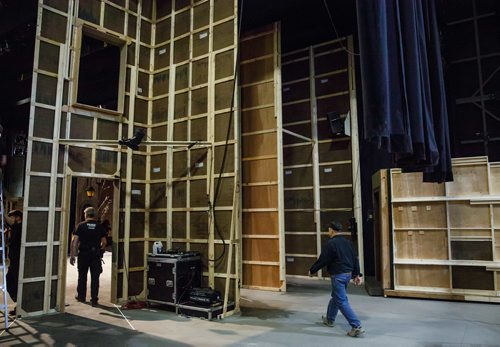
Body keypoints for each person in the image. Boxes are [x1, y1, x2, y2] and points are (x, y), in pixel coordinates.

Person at [309, 221, 364, 337]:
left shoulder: (331, 244)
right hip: (347, 274)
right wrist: (356, 274)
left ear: (331, 230)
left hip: (338, 276)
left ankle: (356, 326)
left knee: (341, 300)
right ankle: (330, 319)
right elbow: (355, 259)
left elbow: (323, 260)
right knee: (336, 297)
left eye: (328, 230)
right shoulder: (347, 242)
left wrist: (312, 270)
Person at [70, 207, 107, 306]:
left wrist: (73, 255)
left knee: (82, 276)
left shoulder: (80, 226)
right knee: (95, 278)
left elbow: (74, 241)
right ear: (94, 215)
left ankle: (81, 296)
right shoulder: (100, 227)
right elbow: (104, 242)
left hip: (83, 255)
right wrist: (100, 251)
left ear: (85, 214)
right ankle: (94, 299)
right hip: (95, 256)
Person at [6, 210, 22, 316]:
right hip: (14, 260)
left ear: (17, 218)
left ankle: (19, 306)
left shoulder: (20, 227)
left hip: (18, 260)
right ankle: (18, 303)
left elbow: (9, 222)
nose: (11, 219)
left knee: (15, 282)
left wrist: (2, 211)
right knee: (10, 280)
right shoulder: (15, 228)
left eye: (12, 217)